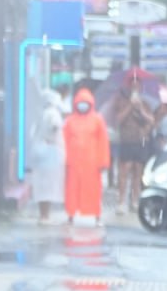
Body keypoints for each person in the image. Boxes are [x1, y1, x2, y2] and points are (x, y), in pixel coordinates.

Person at [63, 88, 110, 225]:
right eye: (80, 102)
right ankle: (70, 215)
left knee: (93, 191)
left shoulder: (97, 120)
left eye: (85, 102)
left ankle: (96, 216)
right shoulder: (70, 121)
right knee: (72, 191)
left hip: (92, 164)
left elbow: (103, 142)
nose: (82, 105)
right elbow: (64, 140)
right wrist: (64, 160)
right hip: (73, 163)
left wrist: (104, 162)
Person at [111, 83, 155, 214]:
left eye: (137, 86)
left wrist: (140, 109)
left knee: (138, 173)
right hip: (126, 142)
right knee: (124, 173)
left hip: (140, 142)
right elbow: (118, 120)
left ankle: (134, 200)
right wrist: (130, 106)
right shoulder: (122, 102)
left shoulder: (145, 104)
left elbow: (151, 121)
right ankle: (121, 201)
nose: (135, 89)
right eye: (133, 86)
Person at [31, 89, 67, 224]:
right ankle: (45, 215)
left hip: (40, 151)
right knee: (48, 186)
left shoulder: (41, 113)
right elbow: (55, 126)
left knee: (41, 186)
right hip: (50, 152)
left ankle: (42, 214)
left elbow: (32, 133)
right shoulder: (53, 114)